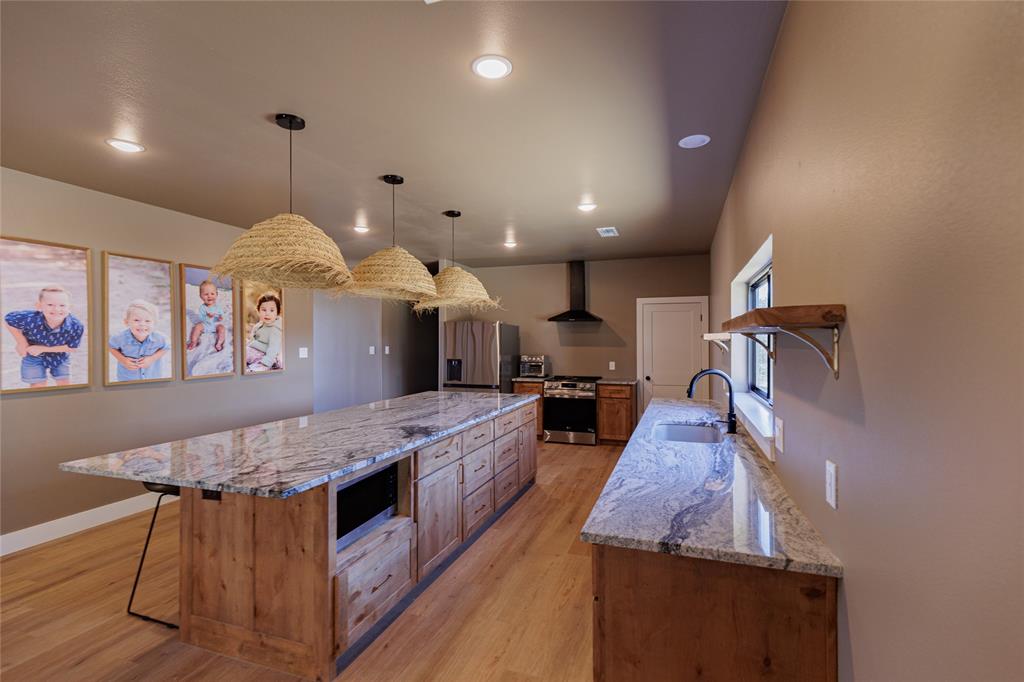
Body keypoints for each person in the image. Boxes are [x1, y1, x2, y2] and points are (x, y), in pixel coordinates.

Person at [4, 285, 85, 388]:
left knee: (64, 384)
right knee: (38, 386)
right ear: (39, 306)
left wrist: (42, 348)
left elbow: (72, 347)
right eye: (50, 304)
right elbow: (9, 320)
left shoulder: (76, 325)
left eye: (62, 305)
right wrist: (21, 342)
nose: (56, 309)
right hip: (33, 355)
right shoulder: (30, 318)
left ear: (69, 307)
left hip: (60, 355)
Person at [108, 299, 169, 382]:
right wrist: (123, 360)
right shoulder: (120, 338)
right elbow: (110, 346)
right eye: (136, 320)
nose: (142, 324)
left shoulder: (159, 338)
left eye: (147, 321)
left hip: (152, 378)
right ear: (126, 322)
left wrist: (152, 359)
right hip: (127, 379)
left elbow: (167, 347)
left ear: (154, 323)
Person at [245, 292, 283, 372]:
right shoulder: (260, 324)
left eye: (272, 310)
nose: (267, 313)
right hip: (257, 349)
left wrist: (265, 363)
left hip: (268, 356)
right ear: (258, 311)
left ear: (277, 312)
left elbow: (273, 349)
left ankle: (261, 366)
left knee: (245, 353)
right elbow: (253, 337)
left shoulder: (275, 329)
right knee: (242, 346)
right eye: (263, 310)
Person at [186, 279, 227, 352]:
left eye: (212, 294)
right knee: (197, 327)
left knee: (222, 328)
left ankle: (219, 343)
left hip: (215, 325)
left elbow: (220, 316)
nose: (209, 296)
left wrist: (220, 318)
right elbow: (201, 318)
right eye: (206, 294)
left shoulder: (217, 307)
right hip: (205, 325)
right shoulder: (202, 307)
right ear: (201, 296)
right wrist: (207, 316)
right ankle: (193, 342)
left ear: (216, 294)